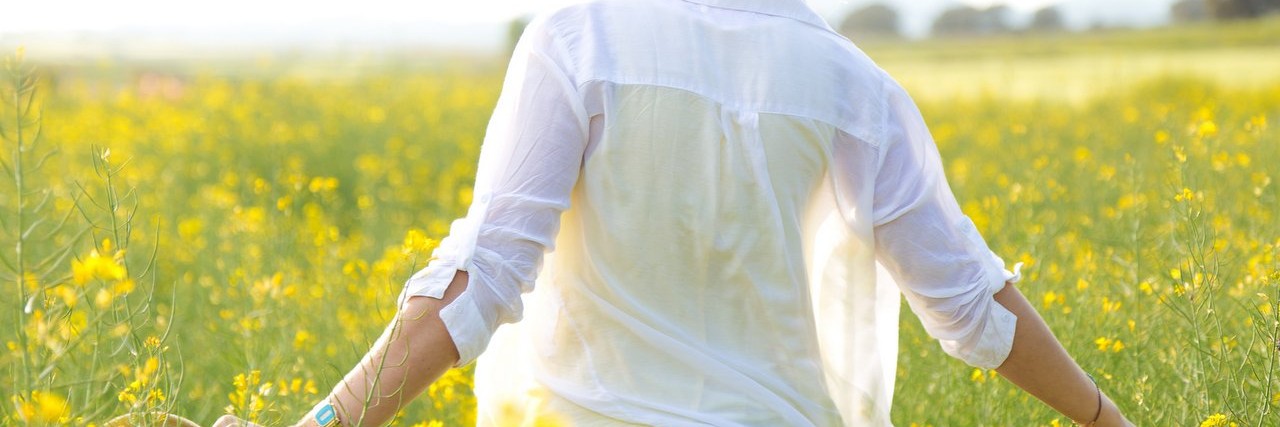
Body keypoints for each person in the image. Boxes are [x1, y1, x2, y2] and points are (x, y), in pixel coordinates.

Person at [216, 0, 1135, 425]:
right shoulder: (857, 85)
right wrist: (1109, 422)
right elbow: (972, 307)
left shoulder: (580, 42)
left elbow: (482, 276)